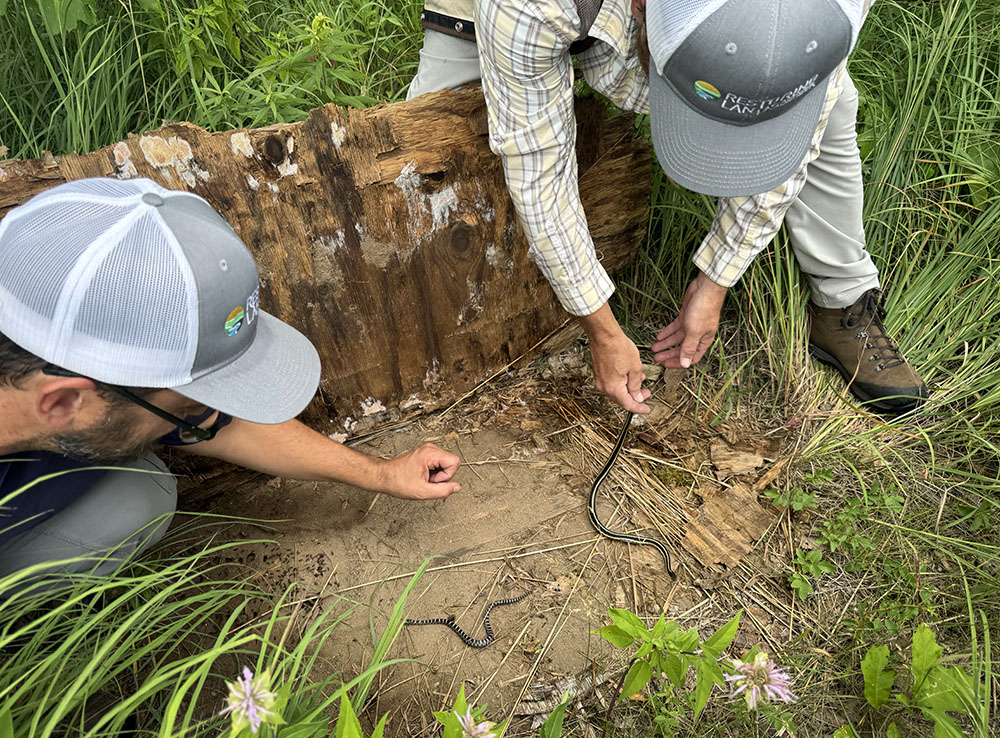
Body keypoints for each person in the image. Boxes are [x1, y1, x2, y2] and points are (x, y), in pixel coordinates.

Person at [407, 0, 927, 415]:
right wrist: (602, 330)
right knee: (430, 146)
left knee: (831, 111)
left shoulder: (833, 13)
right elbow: (538, 173)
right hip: (525, 12)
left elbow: (801, 129)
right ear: (640, 9)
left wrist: (716, 281)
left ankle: (842, 303)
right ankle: (435, 340)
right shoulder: (528, 5)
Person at [0, 177, 462, 584]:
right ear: (61, 402)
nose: (205, 418)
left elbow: (230, 427)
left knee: (142, 494)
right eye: (184, 410)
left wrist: (380, 473)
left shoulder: (70, 385)